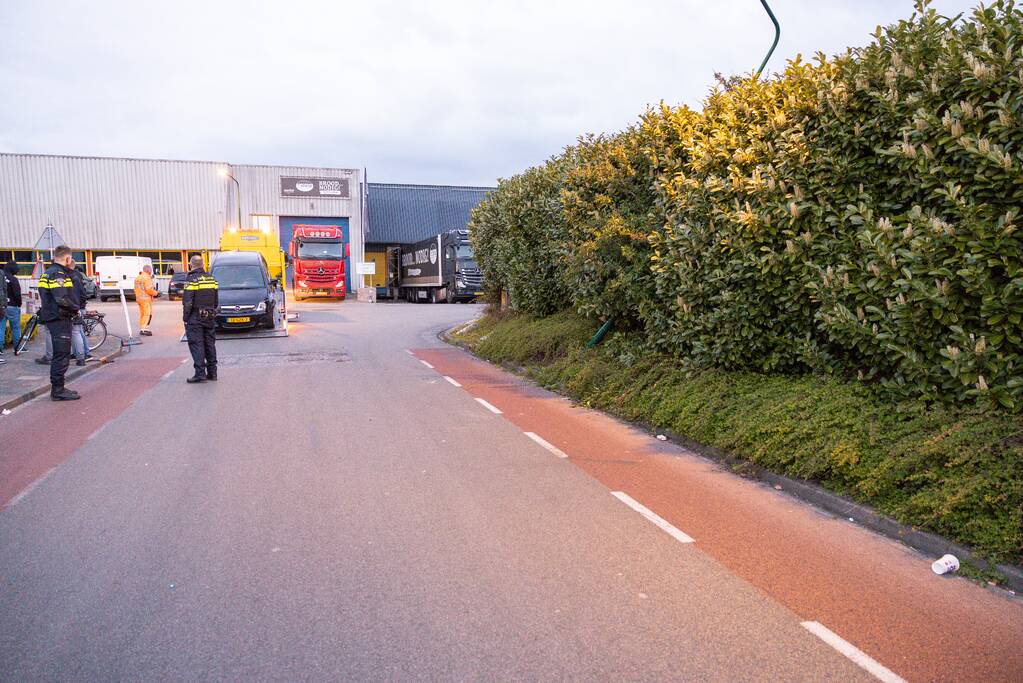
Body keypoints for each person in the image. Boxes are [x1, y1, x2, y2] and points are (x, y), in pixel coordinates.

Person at [38, 245, 83, 400]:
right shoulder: (58, 274)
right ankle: (58, 390)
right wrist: (75, 308)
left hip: (52, 316)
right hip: (60, 318)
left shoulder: (47, 273)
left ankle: (59, 387)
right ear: (68, 258)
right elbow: (62, 298)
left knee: (60, 354)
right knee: (62, 355)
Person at [182, 255, 218, 383]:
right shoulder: (211, 278)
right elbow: (215, 300)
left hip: (195, 317)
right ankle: (213, 373)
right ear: (202, 265)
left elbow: (188, 302)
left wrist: (185, 318)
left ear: (191, 265)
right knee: (210, 344)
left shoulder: (191, 280)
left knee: (197, 344)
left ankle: (200, 374)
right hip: (209, 315)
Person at [2, 261, 21, 354]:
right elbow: (17, 294)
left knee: (1, 328)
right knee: (15, 328)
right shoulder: (13, 279)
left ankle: (0, 349)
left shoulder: (1, 278)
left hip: (1, 307)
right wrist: (19, 304)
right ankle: (17, 347)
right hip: (13, 306)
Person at [134, 264, 158, 336]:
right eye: (150, 270)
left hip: (139, 299)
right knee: (147, 314)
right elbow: (149, 289)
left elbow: (135, 289)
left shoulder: (138, 278)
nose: (151, 272)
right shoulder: (147, 278)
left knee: (142, 314)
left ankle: (143, 328)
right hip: (146, 299)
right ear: (148, 270)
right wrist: (156, 293)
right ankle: (144, 329)